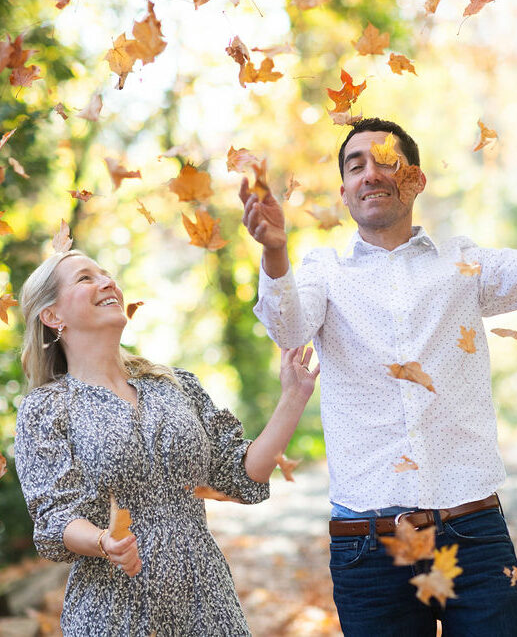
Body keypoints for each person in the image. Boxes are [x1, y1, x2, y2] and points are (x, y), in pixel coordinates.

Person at [239, 117, 517, 636]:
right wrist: (274, 252)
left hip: (473, 536)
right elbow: (288, 327)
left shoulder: (463, 264)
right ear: (344, 192)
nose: (371, 173)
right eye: (356, 166)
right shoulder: (324, 272)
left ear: (415, 179)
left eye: (386, 161)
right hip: (368, 548)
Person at [14, 249, 319, 636]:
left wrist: (293, 398)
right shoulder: (46, 409)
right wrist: (104, 541)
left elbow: (240, 474)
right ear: (52, 316)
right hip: (113, 611)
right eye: (85, 278)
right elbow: (56, 518)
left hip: (206, 602)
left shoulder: (175, 385)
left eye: (106, 274)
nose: (108, 282)